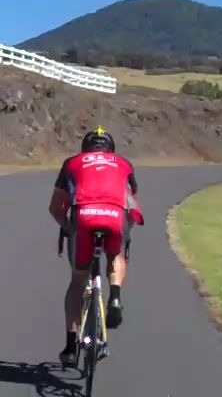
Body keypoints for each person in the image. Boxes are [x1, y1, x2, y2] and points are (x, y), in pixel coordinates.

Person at [48, 125, 144, 367]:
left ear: (84, 149)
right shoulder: (123, 163)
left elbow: (55, 207)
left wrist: (67, 227)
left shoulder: (72, 163)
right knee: (116, 256)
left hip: (84, 215)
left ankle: (71, 346)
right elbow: (132, 205)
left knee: (78, 280)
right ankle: (114, 297)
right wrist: (125, 237)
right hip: (114, 214)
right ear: (111, 150)